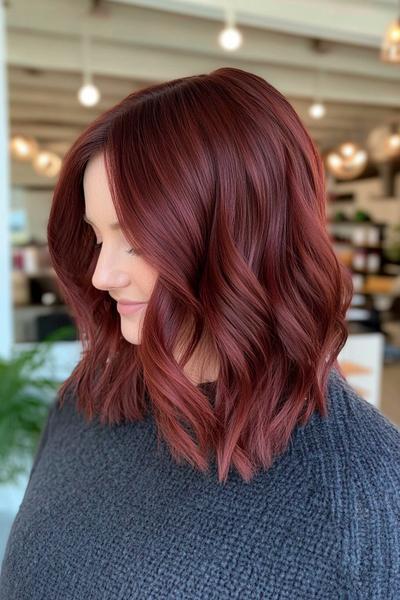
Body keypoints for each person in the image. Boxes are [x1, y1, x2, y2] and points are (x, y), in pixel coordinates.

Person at [1, 67, 399, 599]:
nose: (101, 275)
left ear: (239, 237)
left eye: (135, 239)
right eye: (98, 238)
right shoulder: (87, 401)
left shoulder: (365, 496)